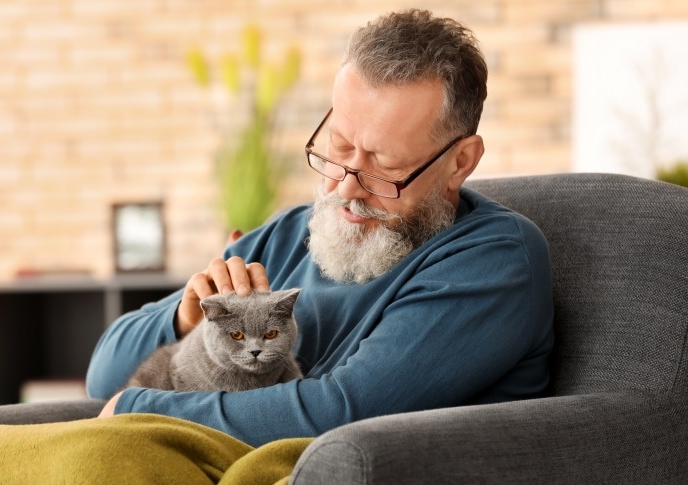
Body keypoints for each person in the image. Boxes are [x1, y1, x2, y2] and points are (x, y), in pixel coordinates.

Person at [89, 8, 554, 448]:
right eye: (339, 147)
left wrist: (141, 410)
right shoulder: (294, 232)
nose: (346, 188)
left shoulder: (494, 261)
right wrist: (188, 322)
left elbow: (344, 413)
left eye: (383, 165)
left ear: (460, 162)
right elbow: (103, 373)